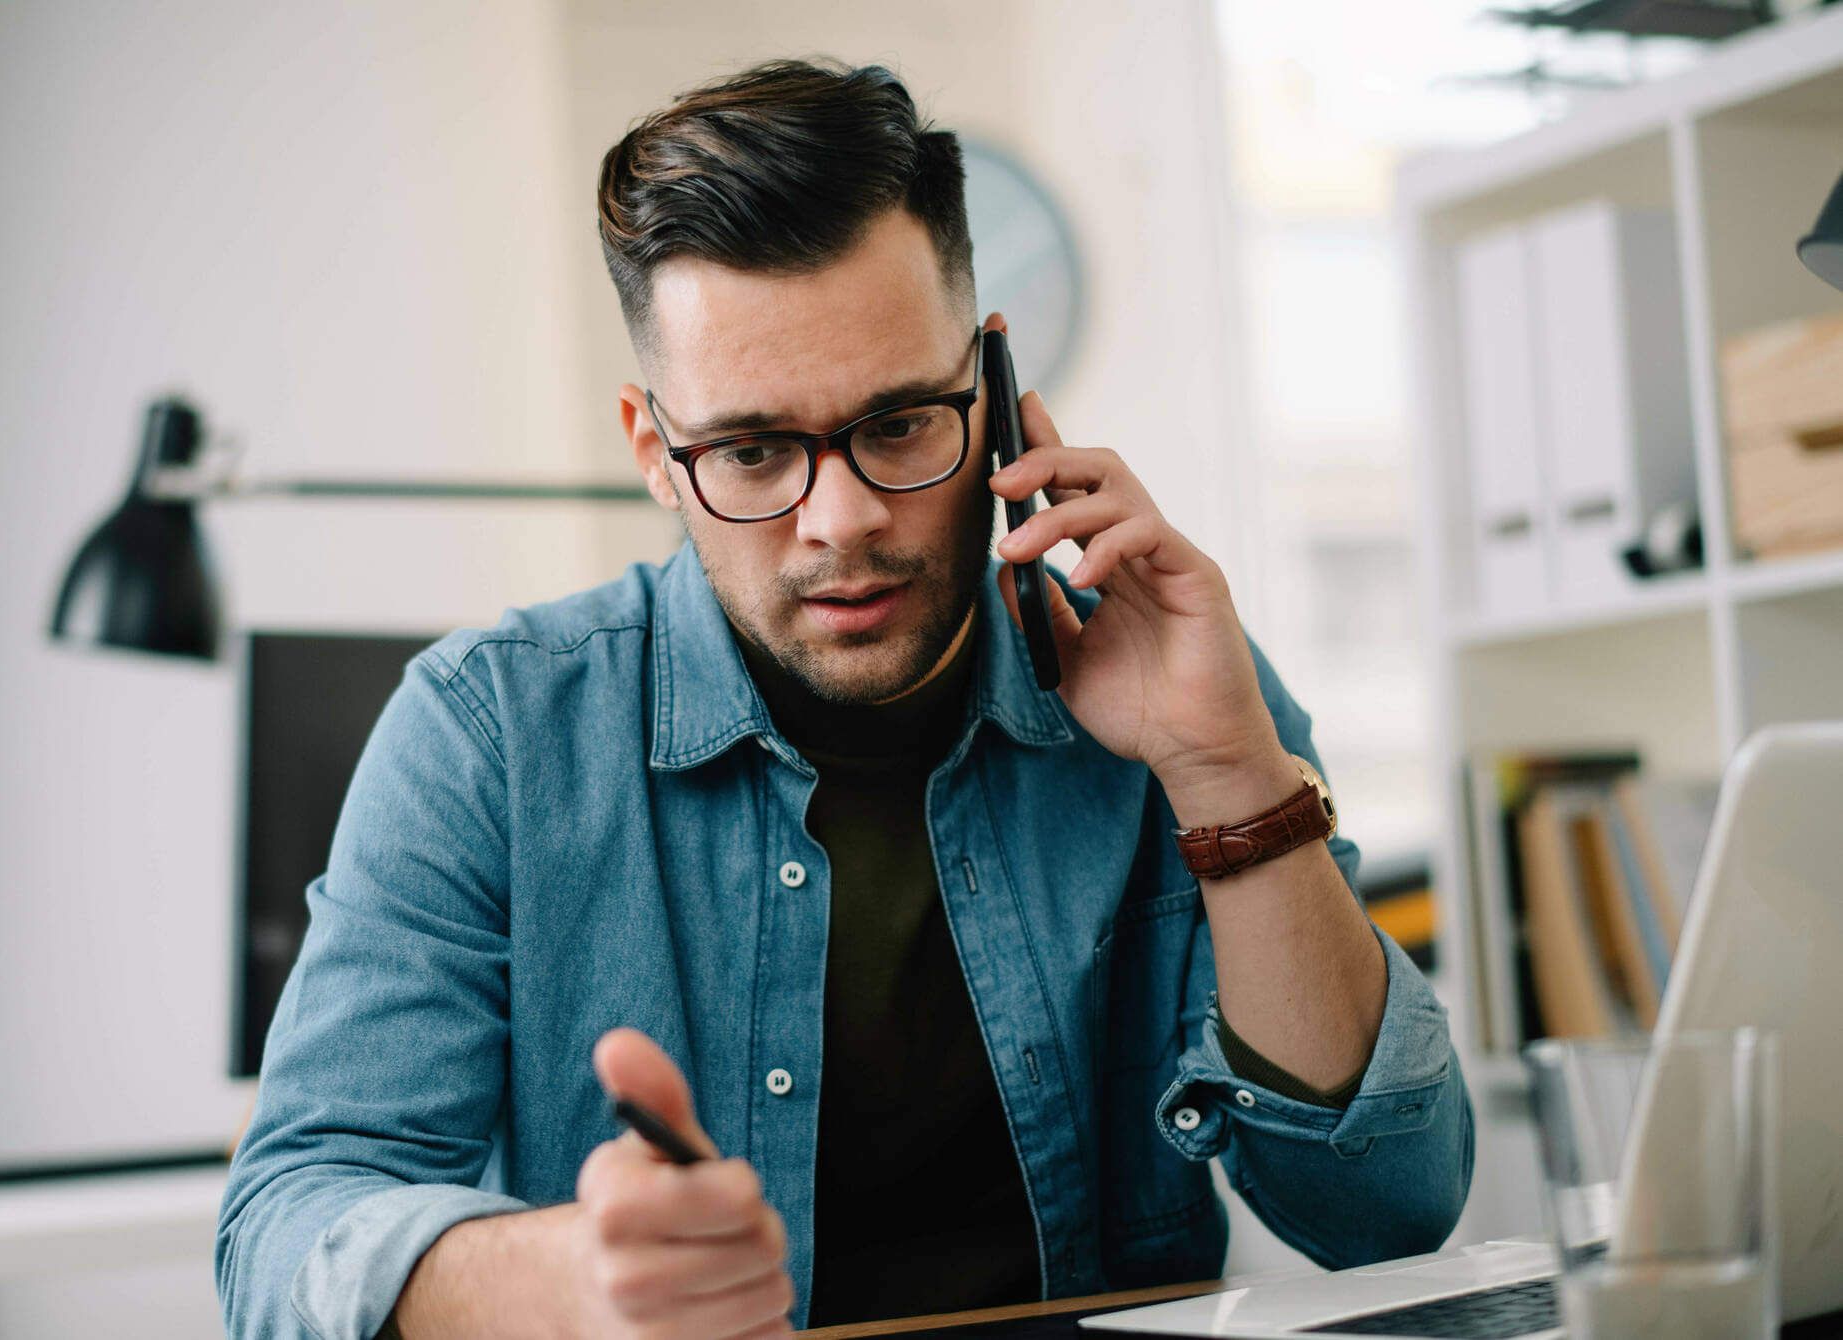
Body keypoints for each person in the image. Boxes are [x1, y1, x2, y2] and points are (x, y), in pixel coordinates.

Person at [216, 58, 1473, 1340]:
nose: (842, 520)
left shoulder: (1181, 680)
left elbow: (1388, 1208)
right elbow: (280, 1230)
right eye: (753, 450)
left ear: (989, 394)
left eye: (899, 422)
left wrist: (1224, 774)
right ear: (656, 451)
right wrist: (561, 1279)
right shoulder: (488, 736)